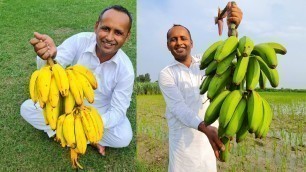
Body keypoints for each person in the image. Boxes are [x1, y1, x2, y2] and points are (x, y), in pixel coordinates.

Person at [20, 5, 135, 156]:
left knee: (124, 137)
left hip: (97, 114)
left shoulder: (126, 69)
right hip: (66, 107)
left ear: (127, 37)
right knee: (27, 108)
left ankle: (67, 134)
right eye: (105, 28)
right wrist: (49, 57)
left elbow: (118, 111)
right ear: (96, 26)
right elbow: (50, 71)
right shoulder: (80, 40)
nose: (109, 37)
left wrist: (87, 122)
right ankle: (87, 138)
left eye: (118, 33)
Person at [158, 3, 243, 172]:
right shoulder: (166, 74)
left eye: (183, 38)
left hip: (209, 140)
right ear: (168, 45)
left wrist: (233, 29)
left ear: (191, 43)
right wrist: (205, 128)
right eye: (173, 39)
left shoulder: (206, 64)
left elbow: (230, 57)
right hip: (182, 145)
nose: (179, 42)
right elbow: (178, 108)